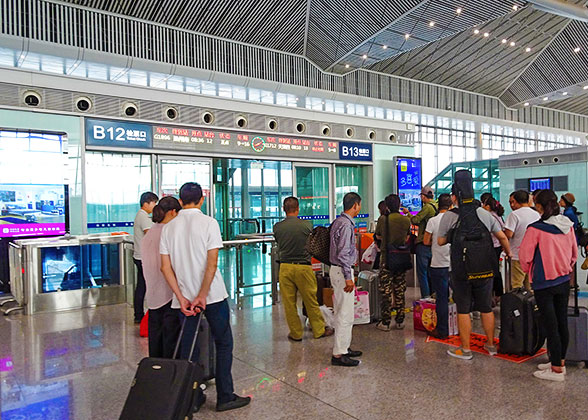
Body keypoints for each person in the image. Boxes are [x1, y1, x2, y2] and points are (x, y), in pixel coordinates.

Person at [160, 182, 250, 412]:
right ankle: (225, 396)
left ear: (180, 202)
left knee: (189, 349)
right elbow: (212, 264)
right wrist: (203, 295)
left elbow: (165, 267)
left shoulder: (168, 228)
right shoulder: (209, 223)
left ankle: (191, 398)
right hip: (213, 296)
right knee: (223, 343)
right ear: (202, 200)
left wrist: (181, 297)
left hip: (185, 301)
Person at [438, 178, 512, 360]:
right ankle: (490, 345)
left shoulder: (449, 216)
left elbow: (440, 241)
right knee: (486, 307)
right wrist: (508, 253)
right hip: (485, 268)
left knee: (463, 308)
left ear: (454, 197)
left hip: (461, 270)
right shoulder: (484, 214)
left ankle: (465, 350)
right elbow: (502, 237)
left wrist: (453, 237)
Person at [519, 189, 577, 382]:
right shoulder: (567, 225)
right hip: (563, 279)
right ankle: (559, 361)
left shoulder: (535, 229)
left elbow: (525, 257)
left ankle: (556, 371)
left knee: (550, 324)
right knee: (561, 322)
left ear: (540, 207)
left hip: (544, 282)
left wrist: (529, 271)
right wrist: (566, 267)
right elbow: (574, 253)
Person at [273, 196, 333, 341]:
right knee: (310, 300)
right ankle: (319, 330)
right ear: (298, 208)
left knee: (289, 303)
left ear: (283, 209)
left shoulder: (277, 227)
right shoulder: (307, 225)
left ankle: (295, 333)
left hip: (285, 267)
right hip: (304, 268)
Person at [141, 196, 182, 358]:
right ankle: (170, 377)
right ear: (172, 212)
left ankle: (156, 374)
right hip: (168, 296)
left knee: (155, 341)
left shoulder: (149, 234)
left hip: (152, 296)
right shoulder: (169, 234)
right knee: (170, 343)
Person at [330, 192, 363, 367]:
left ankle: (344, 346)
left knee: (343, 311)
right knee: (344, 313)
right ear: (355, 205)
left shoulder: (338, 222)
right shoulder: (346, 225)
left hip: (337, 271)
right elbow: (343, 254)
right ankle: (339, 354)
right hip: (342, 273)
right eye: (360, 205)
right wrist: (348, 277)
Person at [375, 194, 411, 331]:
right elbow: (407, 237)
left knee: (386, 290)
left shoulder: (383, 219)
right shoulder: (405, 220)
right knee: (400, 289)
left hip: (387, 258)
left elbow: (378, 235)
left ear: (387, 206)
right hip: (401, 258)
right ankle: (400, 320)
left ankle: (385, 322)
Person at [423, 193, 453, 339]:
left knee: (442, 298)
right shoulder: (456, 220)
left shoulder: (432, 221)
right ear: (451, 205)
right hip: (454, 265)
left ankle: (443, 330)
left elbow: (426, 241)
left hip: (438, 263)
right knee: (460, 297)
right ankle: (458, 326)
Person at [404, 186, 437, 298]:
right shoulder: (437, 205)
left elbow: (415, 220)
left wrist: (408, 213)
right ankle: (433, 295)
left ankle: (426, 297)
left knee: (422, 273)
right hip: (434, 243)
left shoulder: (427, 207)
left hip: (424, 242)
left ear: (423, 196)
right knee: (431, 271)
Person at [504, 190, 540, 290]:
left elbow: (508, 234)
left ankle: (517, 305)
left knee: (516, 285)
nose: (511, 205)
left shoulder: (514, 215)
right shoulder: (536, 214)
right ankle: (530, 304)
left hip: (517, 255)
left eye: (512, 202)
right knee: (530, 285)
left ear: (515, 201)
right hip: (532, 255)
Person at [133, 191, 158, 324]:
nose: (155, 206)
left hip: (139, 256)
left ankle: (138, 314)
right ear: (146, 203)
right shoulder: (144, 217)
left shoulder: (141, 215)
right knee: (144, 286)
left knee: (141, 286)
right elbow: (150, 236)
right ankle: (140, 315)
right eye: (154, 203)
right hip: (143, 258)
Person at [481, 193, 506, 300]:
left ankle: (495, 294)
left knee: (493, 271)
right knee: (496, 271)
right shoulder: (498, 215)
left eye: (483, 204)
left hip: (493, 246)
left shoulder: (490, 216)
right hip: (498, 246)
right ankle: (498, 293)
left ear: (487, 206)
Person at [372, 200, 389, 271]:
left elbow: (377, 235)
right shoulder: (396, 219)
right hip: (395, 252)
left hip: (383, 250)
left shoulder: (382, 219)